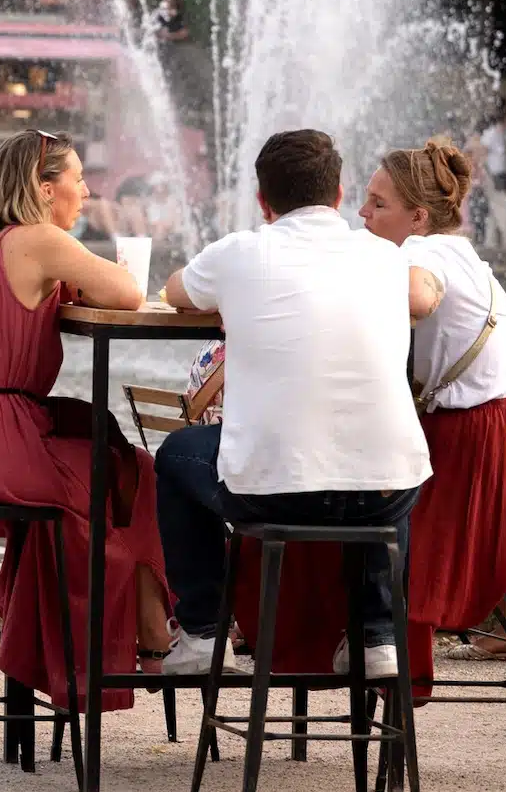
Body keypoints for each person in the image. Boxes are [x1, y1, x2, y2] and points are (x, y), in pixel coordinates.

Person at [158, 129, 437, 677]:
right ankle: (377, 635)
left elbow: (175, 293)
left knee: (175, 455)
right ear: (338, 193)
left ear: (262, 202)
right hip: (386, 497)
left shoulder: (238, 252)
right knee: (375, 452)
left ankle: (201, 632)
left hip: (274, 498)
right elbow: (424, 294)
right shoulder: (386, 258)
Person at [0, 130, 171, 707]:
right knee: (135, 471)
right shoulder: (43, 240)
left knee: (105, 457)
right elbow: (129, 294)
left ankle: (120, 635)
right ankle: (153, 636)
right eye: (77, 179)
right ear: (44, 187)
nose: (85, 191)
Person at [357, 140, 506, 680]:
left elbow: (417, 297)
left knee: (361, 500)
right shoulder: (457, 250)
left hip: (473, 441)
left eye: (377, 204)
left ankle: (374, 647)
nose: (362, 213)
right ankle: (375, 647)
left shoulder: (421, 253)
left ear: (417, 216)